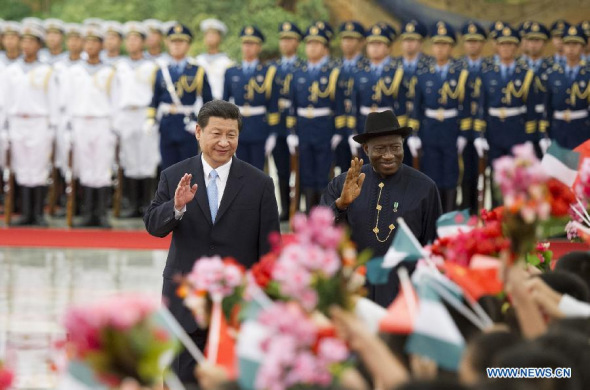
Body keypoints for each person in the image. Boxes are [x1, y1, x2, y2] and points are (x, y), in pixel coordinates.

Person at [144, 99, 280, 384]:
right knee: (184, 379)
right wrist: (176, 207)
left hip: (237, 308)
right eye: (216, 133)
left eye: (231, 135)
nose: (224, 142)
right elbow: (154, 226)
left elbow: (271, 252)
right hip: (186, 303)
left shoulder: (260, 184)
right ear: (198, 132)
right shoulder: (174, 175)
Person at [321, 110, 441, 307]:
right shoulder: (343, 184)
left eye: (395, 147)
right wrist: (341, 205)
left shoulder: (425, 188)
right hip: (355, 293)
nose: (388, 155)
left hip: (404, 296)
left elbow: (433, 247)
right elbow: (321, 237)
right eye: (380, 149)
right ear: (366, 149)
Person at [409, 21, 471, 212]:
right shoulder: (423, 73)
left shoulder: (461, 73)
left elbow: (466, 106)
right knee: (431, 172)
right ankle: (434, 215)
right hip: (430, 129)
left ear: (451, 47)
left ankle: (449, 214)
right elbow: (416, 106)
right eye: (437, 44)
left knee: (451, 174)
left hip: (451, 128)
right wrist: (413, 134)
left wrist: (463, 134)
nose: (440, 49)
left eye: (444, 44)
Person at [61, 24, 118, 228]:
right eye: (88, 41)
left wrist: (114, 127)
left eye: (95, 41)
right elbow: (67, 99)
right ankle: (87, 212)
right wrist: (67, 126)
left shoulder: (110, 71)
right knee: (84, 166)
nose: (91, 45)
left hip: (102, 121)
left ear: (101, 45)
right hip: (80, 121)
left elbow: (116, 100)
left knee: (102, 167)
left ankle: (101, 212)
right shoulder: (74, 71)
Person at [1, 22, 58, 226]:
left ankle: (38, 213)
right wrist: (4, 126)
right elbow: (5, 100)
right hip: (17, 121)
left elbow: (53, 100)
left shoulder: (46, 71)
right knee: (21, 167)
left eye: (30, 41)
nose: (26, 45)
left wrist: (52, 127)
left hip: (39, 122)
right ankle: (25, 212)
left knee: (39, 168)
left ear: (38, 45)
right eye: (23, 41)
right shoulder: (12, 70)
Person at [287, 22, 347, 212]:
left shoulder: (333, 73)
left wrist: (338, 131)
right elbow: (292, 105)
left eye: (317, 43)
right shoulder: (298, 73)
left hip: (324, 127)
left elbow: (339, 104)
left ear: (324, 47)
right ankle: (307, 211)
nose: (312, 47)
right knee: (305, 173)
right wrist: (291, 131)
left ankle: (322, 213)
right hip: (304, 126)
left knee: (322, 172)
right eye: (309, 43)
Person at [474, 25, 538, 200]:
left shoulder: (525, 74)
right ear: (497, 47)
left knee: (517, 177)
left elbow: (531, 111)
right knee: (497, 177)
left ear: (516, 47)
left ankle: (517, 219)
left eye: (510, 45)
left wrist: (530, 139)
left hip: (516, 131)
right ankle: (495, 214)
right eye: (503, 44)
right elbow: (482, 107)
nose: (506, 48)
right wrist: (479, 135)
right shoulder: (487, 74)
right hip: (494, 131)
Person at [147, 23, 213, 170]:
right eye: (173, 41)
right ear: (168, 44)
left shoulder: (198, 71)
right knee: (167, 169)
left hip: (187, 125)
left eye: (181, 42)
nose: (176, 45)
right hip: (167, 124)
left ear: (188, 45)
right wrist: (150, 119)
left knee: (188, 169)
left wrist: (200, 123)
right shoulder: (160, 71)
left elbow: (209, 103)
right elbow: (154, 100)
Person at [113, 21, 160, 218]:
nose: (132, 43)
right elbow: (115, 93)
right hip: (126, 113)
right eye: (129, 39)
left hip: (144, 113)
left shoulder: (152, 66)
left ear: (143, 42)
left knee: (147, 158)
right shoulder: (119, 66)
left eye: (136, 39)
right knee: (130, 158)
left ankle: (148, 203)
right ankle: (132, 204)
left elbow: (156, 94)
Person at [223, 25, 279, 171]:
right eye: (245, 43)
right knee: (238, 171)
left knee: (257, 172)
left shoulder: (269, 72)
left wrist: (273, 133)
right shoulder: (231, 72)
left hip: (259, 128)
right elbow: (224, 104)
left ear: (259, 47)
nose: (248, 47)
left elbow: (273, 105)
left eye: (252, 44)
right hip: (238, 128)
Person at [269, 21, 304, 220]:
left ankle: (298, 207)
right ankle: (284, 208)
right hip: (278, 126)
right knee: (281, 169)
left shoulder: (303, 67)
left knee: (300, 170)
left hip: (300, 126)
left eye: (289, 39)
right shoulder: (273, 68)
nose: (285, 43)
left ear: (297, 42)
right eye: (282, 39)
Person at [349, 23, 399, 159]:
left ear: (388, 47)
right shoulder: (359, 71)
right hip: (364, 124)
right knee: (366, 166)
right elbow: (354, 104)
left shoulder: (397, 71)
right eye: (371, 44)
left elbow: (400, 104)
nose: (374, 48)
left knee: (388, 162)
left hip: (388, 126)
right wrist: (351, 131)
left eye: (379, 44)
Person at [539, 24, 590, 150]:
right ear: (563, 46)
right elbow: (547, 107)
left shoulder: (588, 73)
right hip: (558, 130)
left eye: (575, 44)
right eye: (568, 44)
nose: (571, 49)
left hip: (582, 129)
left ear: (583, 47)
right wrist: (543, 134)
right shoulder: (552, 74)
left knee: (581, 168)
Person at [458, 21, 488, 213]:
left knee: (485, 175)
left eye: (476, 41)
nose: (472, 45)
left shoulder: (488, 67)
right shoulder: (458, 68)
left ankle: (484, 212)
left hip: (485, 130)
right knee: (466, 173)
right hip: (463, 129)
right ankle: (467, 211)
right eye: (469, 41)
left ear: (482, 43)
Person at [397, 20, 432, 168]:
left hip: (422, 121)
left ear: (421, 43)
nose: (409, 44)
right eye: (406, 40)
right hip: (399, 121)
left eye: (413, 40)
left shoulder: (430, 65)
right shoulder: (394, 65)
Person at [334, 20, 367, 172]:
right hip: (339, 126)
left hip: (359, 126)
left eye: (352, 39)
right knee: (341, 170)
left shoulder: (366, 67)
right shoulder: (335, 67)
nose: (347, 43)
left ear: (361, 43)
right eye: (345, 39)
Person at [195, 18, 233, 100]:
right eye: (207, 34)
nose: (210, 37)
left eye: (213, 34)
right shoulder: (197, 61)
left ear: (220, 38)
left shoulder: (227, 63)